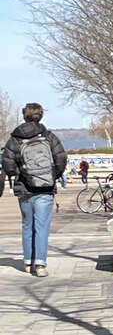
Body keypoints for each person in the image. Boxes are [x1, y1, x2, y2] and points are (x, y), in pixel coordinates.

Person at [3, 102, 67, 277]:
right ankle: (40, 264)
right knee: (42, 226)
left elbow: (8, 165)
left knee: (27, 225)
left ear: (25, 115)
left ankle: (27, 261)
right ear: (41, 116)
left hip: (24, 188)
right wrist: (51, 175)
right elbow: (61, 158)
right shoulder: (49, 137)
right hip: (45, 188)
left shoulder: (15, 139)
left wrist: (22, 173)